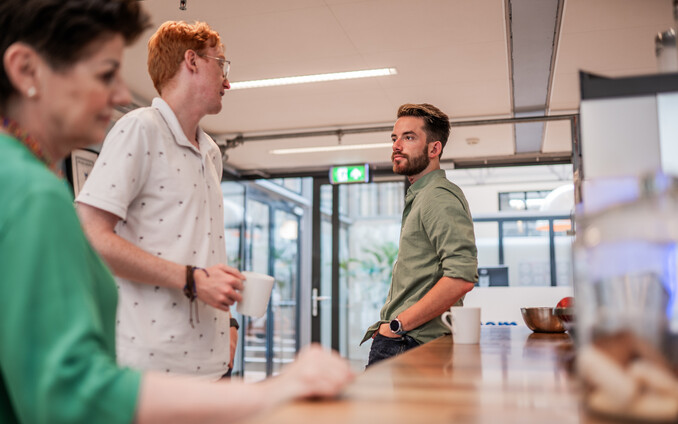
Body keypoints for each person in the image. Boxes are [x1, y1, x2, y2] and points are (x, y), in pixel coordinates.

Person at [0, 1, 353, 423]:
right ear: (25, 70)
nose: (119, 95)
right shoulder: (31, 191)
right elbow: (69, 391)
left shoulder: (34, 180)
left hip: (200, 359)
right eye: (106, 73)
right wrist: (274, 392)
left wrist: (227, 321)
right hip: (149, 364)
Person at [75, 20, 243, 379]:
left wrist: (230, 322)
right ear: (192, 61)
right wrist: (193, 279)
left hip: (211, 364)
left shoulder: (211, 151)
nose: (227, 81)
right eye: (221, 64)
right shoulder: (140, 128)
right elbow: (90, 236)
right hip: (152, 368)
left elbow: (202, 252)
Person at [361, 103, 479, 366]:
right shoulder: (423, 195)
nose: (396, 145)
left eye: (409, 137)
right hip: (407, 340)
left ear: (434, 148)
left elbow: (461, 277)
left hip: (409, 342)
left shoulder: (436, 196)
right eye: (395, 138)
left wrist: (396, 325)